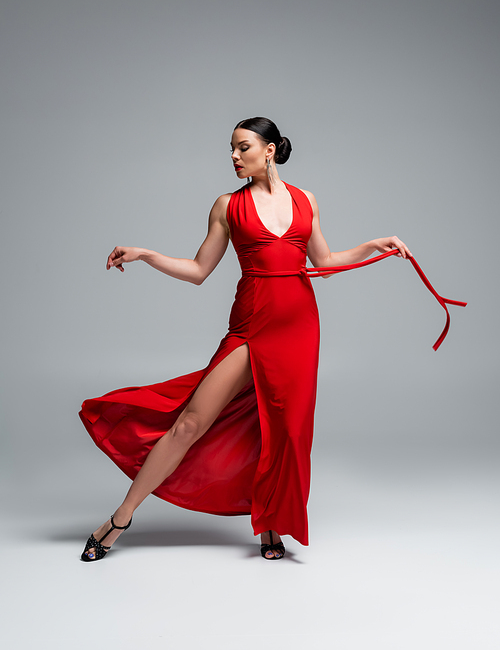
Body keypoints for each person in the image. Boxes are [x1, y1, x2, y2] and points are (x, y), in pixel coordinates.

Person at [79, 115, 414, 562]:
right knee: (189, 424)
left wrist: (375, 244)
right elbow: (199, 271)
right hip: (252, 325)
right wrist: (146, 254)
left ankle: (270, 524)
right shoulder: (226, 206)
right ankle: (121, 516)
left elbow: (326, 260)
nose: (234, 157)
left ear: (269, 149)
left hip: (298, 330)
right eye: (232, 150)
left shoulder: (305, 200)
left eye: (243, 148)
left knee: (286, 433)